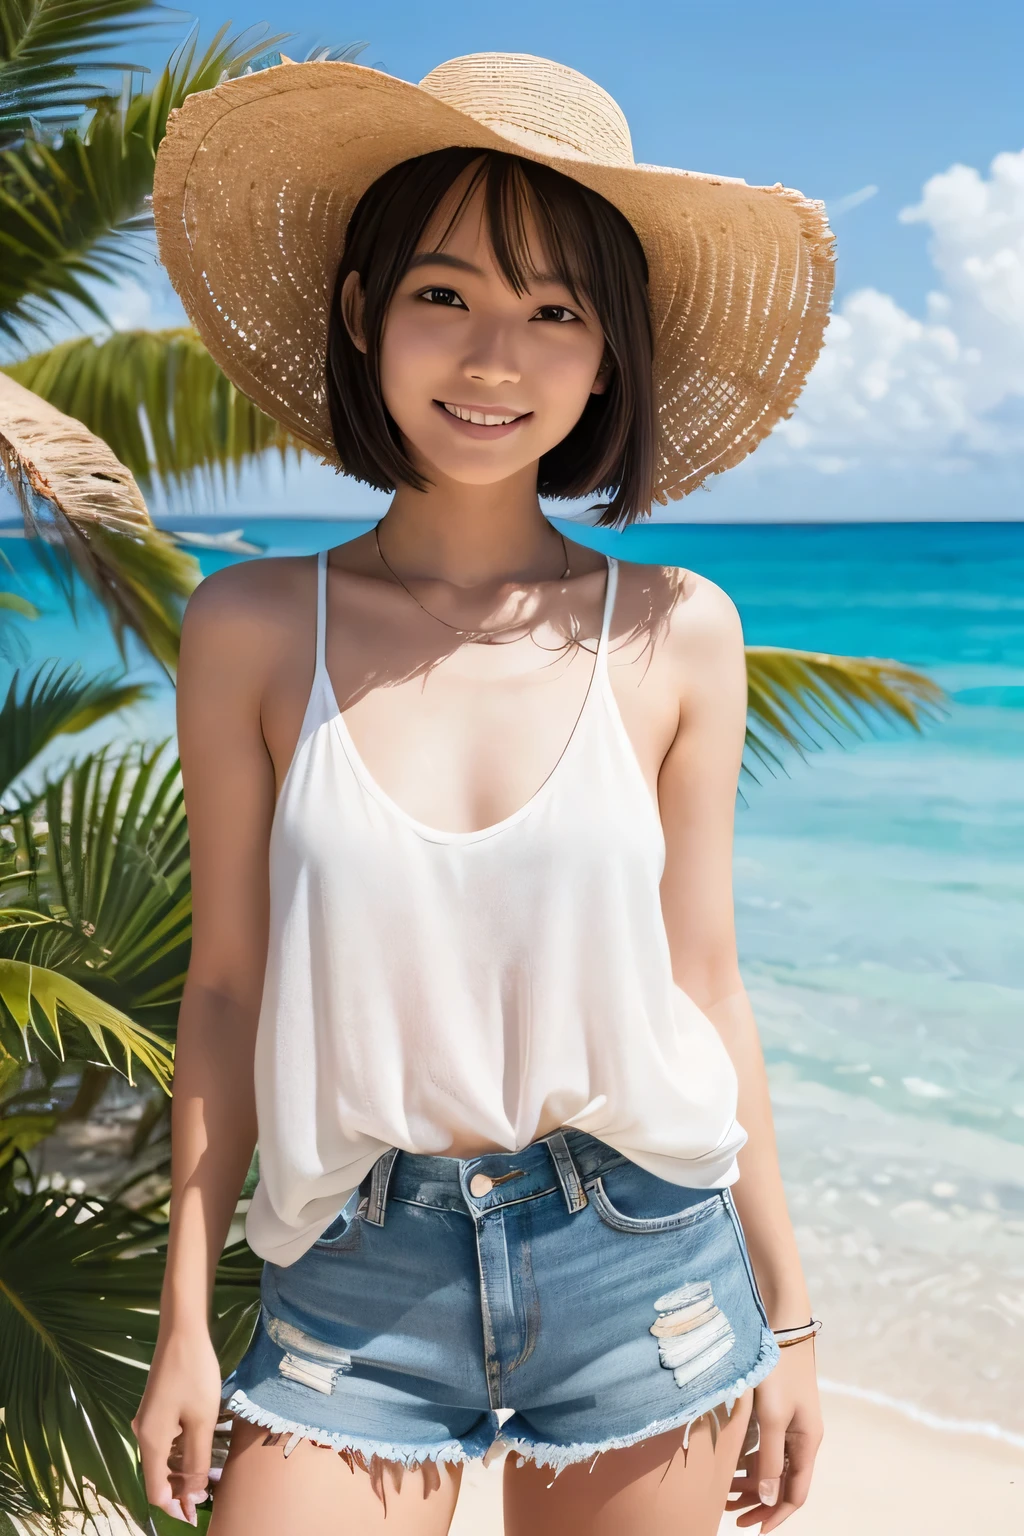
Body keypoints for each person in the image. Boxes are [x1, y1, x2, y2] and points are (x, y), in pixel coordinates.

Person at [135, 51, 834, 1536]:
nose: (495, 360)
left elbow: (706, 983)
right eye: (445, 293)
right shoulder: (255, 628)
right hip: (353, 1274)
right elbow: (226, 993)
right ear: (362, 312)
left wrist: (795, 1317)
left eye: (555, 311)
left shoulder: (678, 629)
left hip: (639, 1257)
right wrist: (186, 1320)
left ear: (607, 359)